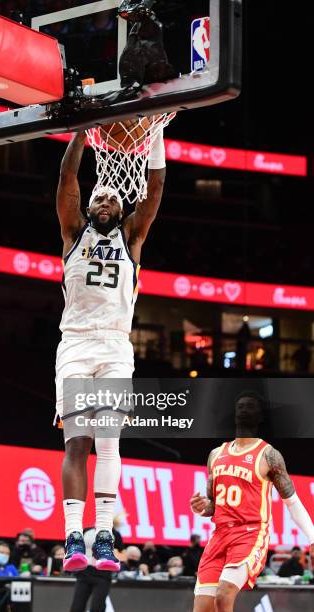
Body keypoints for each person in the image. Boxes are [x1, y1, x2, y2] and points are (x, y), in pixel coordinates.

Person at [55, 127, 167, 571]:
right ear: (89, 207)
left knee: (109, 443)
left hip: (118, 345)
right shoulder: (71, 233)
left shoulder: (132, 239)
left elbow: (155, 188)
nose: (104, 203)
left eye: (112, 201)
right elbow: (67, 177)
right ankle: (72, 537)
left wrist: (154, 131)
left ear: (121, 210)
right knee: (77, 443)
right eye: (98, 199)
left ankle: (103, 534)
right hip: (77, 344)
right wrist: (81, 132)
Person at [190, 392, 314, 612]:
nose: (244, 409)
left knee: (224, 594)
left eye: (250, 407)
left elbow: (292, 502)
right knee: (202, 607)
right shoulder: (216, 454)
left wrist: (312, 537)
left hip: (250, 533)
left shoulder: (269, 455)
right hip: (219, 535)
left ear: (260, 417)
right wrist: (201, 508)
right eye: (240, 406)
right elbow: (213, 505)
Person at [69, 528, 113, 612]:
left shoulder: (114, 533)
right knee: (77, 606)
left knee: (97, 607)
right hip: (85, 571)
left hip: (103, 574)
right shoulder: (86, 531)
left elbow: (122, 553)